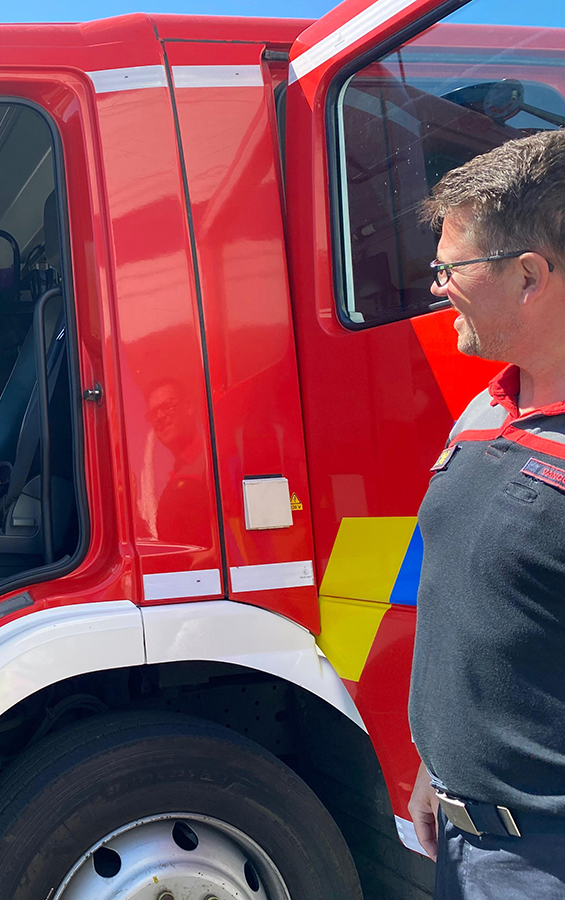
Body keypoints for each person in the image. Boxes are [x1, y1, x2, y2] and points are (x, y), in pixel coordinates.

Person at [407, 129, 565, 898]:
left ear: (530, 276)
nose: (436, 285)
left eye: (451, 268)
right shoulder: (482, 408)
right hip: (466, 844)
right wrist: (437, 768)